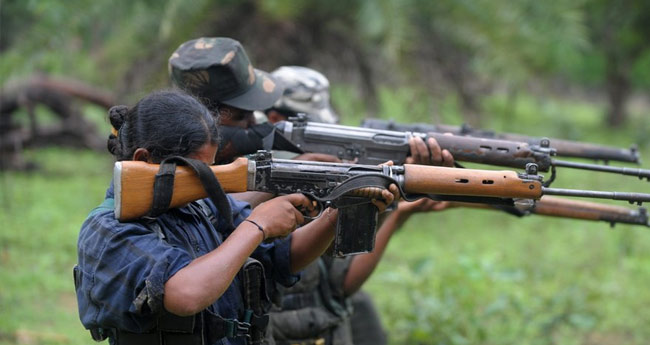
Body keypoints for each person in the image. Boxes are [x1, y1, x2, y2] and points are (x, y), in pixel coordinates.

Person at [74, 90, 398, 345]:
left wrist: (335, 211)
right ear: (144, 160)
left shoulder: (197, 206)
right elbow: (183, 294)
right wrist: (256, 226)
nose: (211, 180)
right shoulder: (108, 230)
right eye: (199, 170)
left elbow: (283, 259)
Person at [265, 66, 455, 345]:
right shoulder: (264, 190)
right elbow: (342, 283)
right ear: (274, 119)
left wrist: (395, 208)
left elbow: (342, 276)